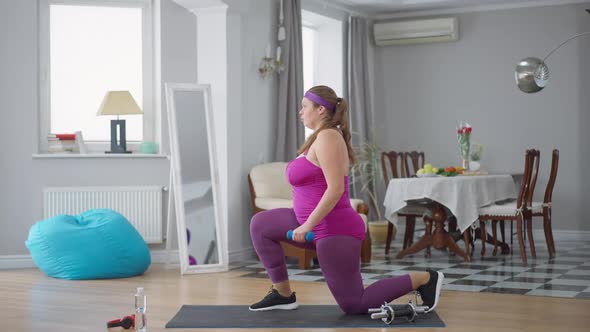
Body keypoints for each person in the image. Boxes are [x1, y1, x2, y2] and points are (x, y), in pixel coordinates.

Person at [249, 85, 444, 314]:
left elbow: (335, 189)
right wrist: (305, 222)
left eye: (304, 107)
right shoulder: (317, 139)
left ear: (321, 109)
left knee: (355, 304)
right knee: (261, 224)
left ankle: (424, 278)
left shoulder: (328, 137)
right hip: (308, 223)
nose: (300, 112)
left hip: (334, 229)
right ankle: (282, 294)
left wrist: (308, 225)